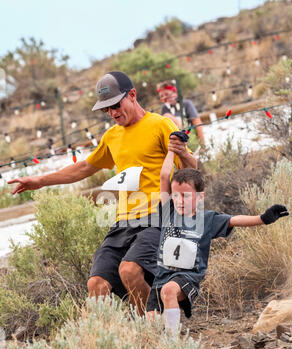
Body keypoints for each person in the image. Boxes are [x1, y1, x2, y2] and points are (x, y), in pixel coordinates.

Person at [8, 71, 197, 316]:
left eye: (116, 106)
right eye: (106, 110)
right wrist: (40, 180)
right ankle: (120, 335)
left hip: (157, 217)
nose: (112, 113)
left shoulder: (160, 124)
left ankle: (153, 326)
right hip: (123, 222)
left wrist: (182, 153)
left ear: (132, 95)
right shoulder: (112, 136)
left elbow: (192, 170)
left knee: (129, 270)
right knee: (96, 284)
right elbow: (85, 167)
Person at [146, 132, 289, 335]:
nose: (179, 200)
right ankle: (163, 347)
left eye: (186, 196)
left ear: (200, 196)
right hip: (161, 277)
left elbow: (234, 219)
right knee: (150, 323)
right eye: (176, 195)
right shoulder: (168, 211)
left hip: (187, 276)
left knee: (169, 291)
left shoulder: (207, 219)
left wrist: (262, 219)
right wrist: (170, 150)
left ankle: (173, 341)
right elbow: (163, 176)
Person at [157, 80, 205, 152]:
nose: (164, 97)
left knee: (167, 116)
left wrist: (202, 145)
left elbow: (197, 123)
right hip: (175, 141)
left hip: (189, 136)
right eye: (161, 96)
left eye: (166, 94)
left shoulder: (186, 104)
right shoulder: (165, 108)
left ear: (175, 93)